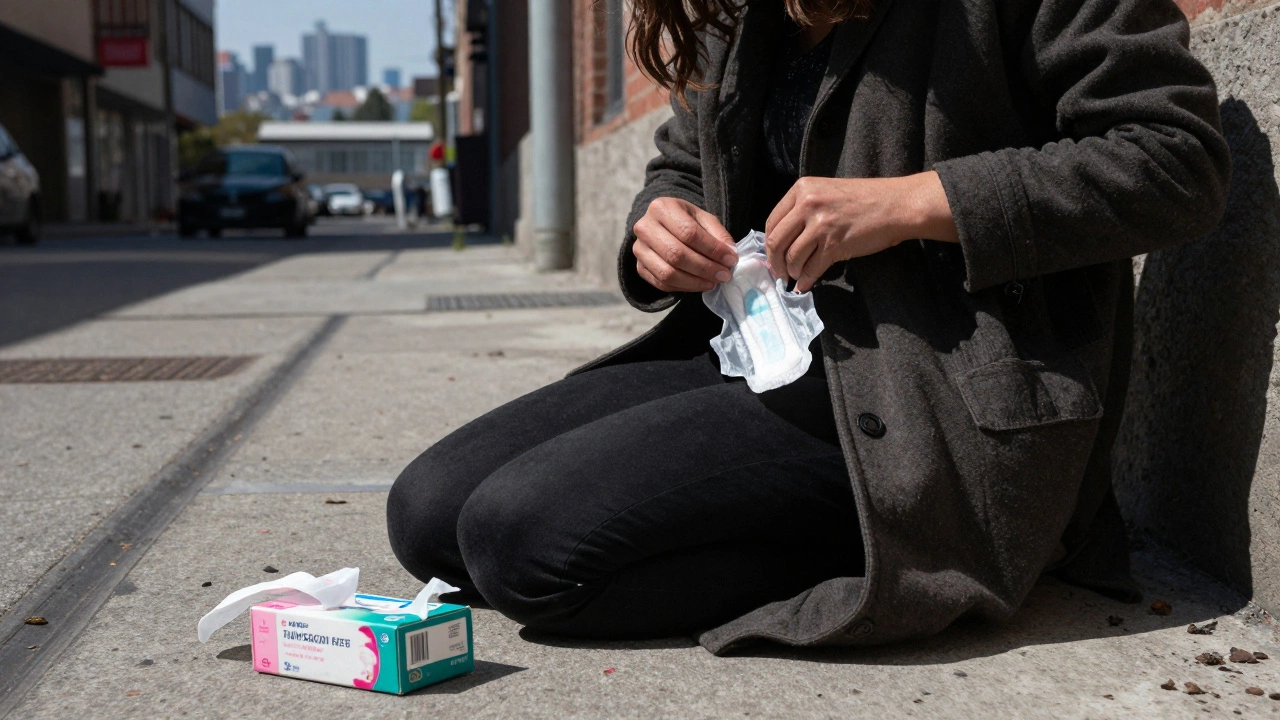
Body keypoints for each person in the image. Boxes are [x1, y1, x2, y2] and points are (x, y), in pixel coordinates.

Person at [387, 0, 1231, 654]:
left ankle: (924, 550)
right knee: (427, 515)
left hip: (939, 394)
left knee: (524, 549)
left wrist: (912, 203)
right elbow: (683, 159)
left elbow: (1174, 159)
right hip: (773, 354)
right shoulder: (742, 14)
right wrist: (662, 223)